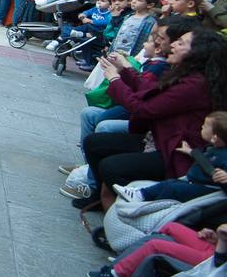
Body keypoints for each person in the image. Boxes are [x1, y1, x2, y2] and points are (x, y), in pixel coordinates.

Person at [82, 27, 227, 213]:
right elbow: (150, 89)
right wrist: (125, 68)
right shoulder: (187, 75)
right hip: (159, 140)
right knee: (95, 143)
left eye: (181, 43)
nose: (173, 44)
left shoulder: (196, 85)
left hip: (175, 152)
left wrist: (115, 80)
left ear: (199, 53)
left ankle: (130, 213)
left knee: (111, 167)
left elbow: (143, 109)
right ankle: (102, 199)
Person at [116, 111, 227, 204]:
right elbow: (204, 159)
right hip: (194, 181)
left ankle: (150, 204)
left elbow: (211, 165)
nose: (202, 126)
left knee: (173, 188)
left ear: (215, 138)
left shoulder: (224, 156)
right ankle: (141, 194)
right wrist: (190, 151)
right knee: (170, 183)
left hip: (208, 189)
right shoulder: (211, 148)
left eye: (206, 126)